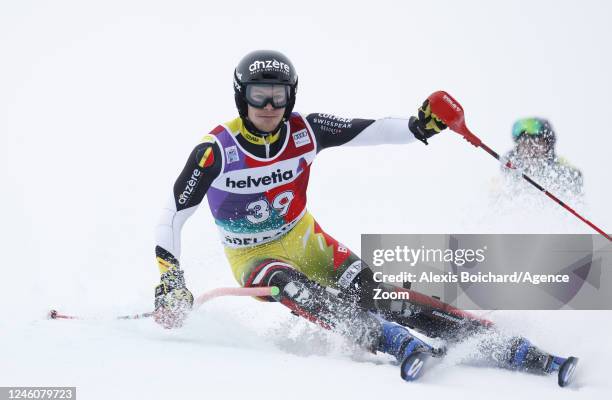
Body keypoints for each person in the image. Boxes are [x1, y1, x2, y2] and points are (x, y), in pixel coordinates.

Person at [152, 50, 573, 380]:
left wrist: (419, 126)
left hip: (313, 244)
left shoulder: (308, 130)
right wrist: (170, 279)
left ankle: (501, 343)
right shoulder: (217, 150)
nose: (268, 104)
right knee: (291, 287)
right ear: (240, 95)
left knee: (386, 297)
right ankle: (392, 342)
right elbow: (172, 215)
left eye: (278, 94)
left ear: (291, 96)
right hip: (255, 259)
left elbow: (372, 129)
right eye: (257, 94)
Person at [502, 118, 583, 196]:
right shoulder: (506, 176)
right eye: (524, 144)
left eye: (537, 143)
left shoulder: (565, 173)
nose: (530, 150)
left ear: (548, 146)